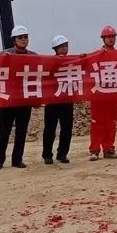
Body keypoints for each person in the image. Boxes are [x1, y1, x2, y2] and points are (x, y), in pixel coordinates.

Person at [0, 24, 36, 170]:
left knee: (21, 131)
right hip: (8, 100)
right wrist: (3, 59)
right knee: (4, 131)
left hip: (24, 100)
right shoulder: (5, 54)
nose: (24, 40)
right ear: (14, 40)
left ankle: (17, 159)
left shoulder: (34, 57)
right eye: (20, 37)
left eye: (26, 37)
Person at [88, 25, 117, 160]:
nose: (111, 39)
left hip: (113, 94)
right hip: (99, 94)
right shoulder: (96, 55)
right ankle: (94, 150)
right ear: (103, 39)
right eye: (108, 37)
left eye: (113, 37)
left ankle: (109, 149)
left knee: (111, 122)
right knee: (97, 122)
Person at [42, 34, 74, 164]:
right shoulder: (49, 63)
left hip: (67, 100)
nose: (64, 49)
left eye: (66, 46)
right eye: (61, 46)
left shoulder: (72, 62)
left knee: (67, 128)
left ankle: (62, 153)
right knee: (50, 129)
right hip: (53, 100)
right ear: (55, 48)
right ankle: (47, 155)